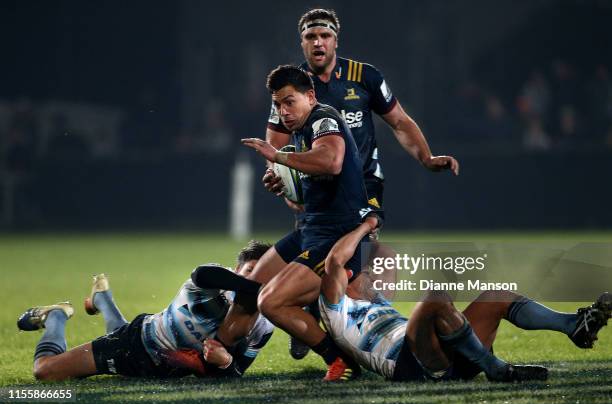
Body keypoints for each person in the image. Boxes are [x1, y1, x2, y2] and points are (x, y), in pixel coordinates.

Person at [264, 8, 459, 359]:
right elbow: (274, 143)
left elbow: (399, 122)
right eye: (310, 37)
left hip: (362, 189)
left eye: (324, 35)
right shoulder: (294, 87)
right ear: (303, 43)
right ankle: (324, 321)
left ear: (336, 40)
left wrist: (427, 158)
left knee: (355, 262)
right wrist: (281, 180)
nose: (318, 42)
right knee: (320, 256)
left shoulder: (364, 77)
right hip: (316, 190)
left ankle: (356, 334)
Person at [320, 218, 612, 381]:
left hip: (452, 352)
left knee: (496, 295)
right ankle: (494, 367)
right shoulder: (336, 309)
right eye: (364, 271)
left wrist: (370, 229)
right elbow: (334, 262)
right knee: (435, 296)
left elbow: (385, 253)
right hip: (411, 365)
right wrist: (363, 226)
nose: (371, 273)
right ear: (347, 278)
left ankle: (573, 325)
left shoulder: (377, 298)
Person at [227, 64, 371, 381]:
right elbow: (306, 196)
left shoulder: (323, 118)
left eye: (289, 102)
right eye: (278, 105)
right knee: (249, 291)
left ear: (309, 96)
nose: (283, 111)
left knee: (271, 302)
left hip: (336, 239)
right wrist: (285, 185)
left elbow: (331, 162)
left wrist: (277, 157)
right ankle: (222, 359)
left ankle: (339, 359)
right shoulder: (301, 131)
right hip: (310, 231)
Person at [17, 241, 273, 380]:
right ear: (235, 271)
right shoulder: (214, 283)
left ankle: (103, 298)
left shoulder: (263, 324)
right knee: (46, 371)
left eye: (266, 274)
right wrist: (253, 286)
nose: (258, 280)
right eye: (251, 271)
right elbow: (201, 273)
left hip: (169, 371)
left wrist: (226, 363)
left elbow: (236, 373)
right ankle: (57, 316)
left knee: (116, 330)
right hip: (135, 344)